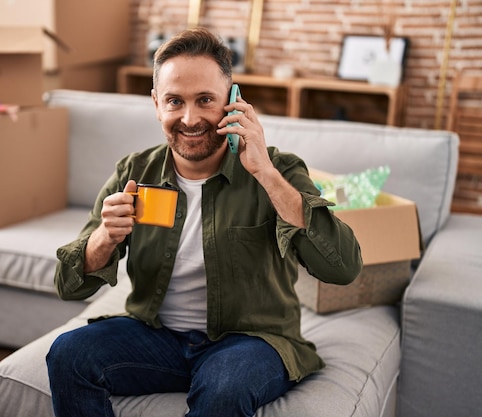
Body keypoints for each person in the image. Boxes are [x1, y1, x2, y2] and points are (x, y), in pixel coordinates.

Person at [46, 27, 362, 417]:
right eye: (175, 101)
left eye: (205, 100)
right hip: (156, 337)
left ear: (232, 101)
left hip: (250, 341)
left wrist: (263, 171)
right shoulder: (134, 171)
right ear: (156, 104)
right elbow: (67, 284)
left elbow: (344, 268)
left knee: (224, 388)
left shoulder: (278, 170)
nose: (190, 118)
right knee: (68, 354)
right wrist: (105, 238)